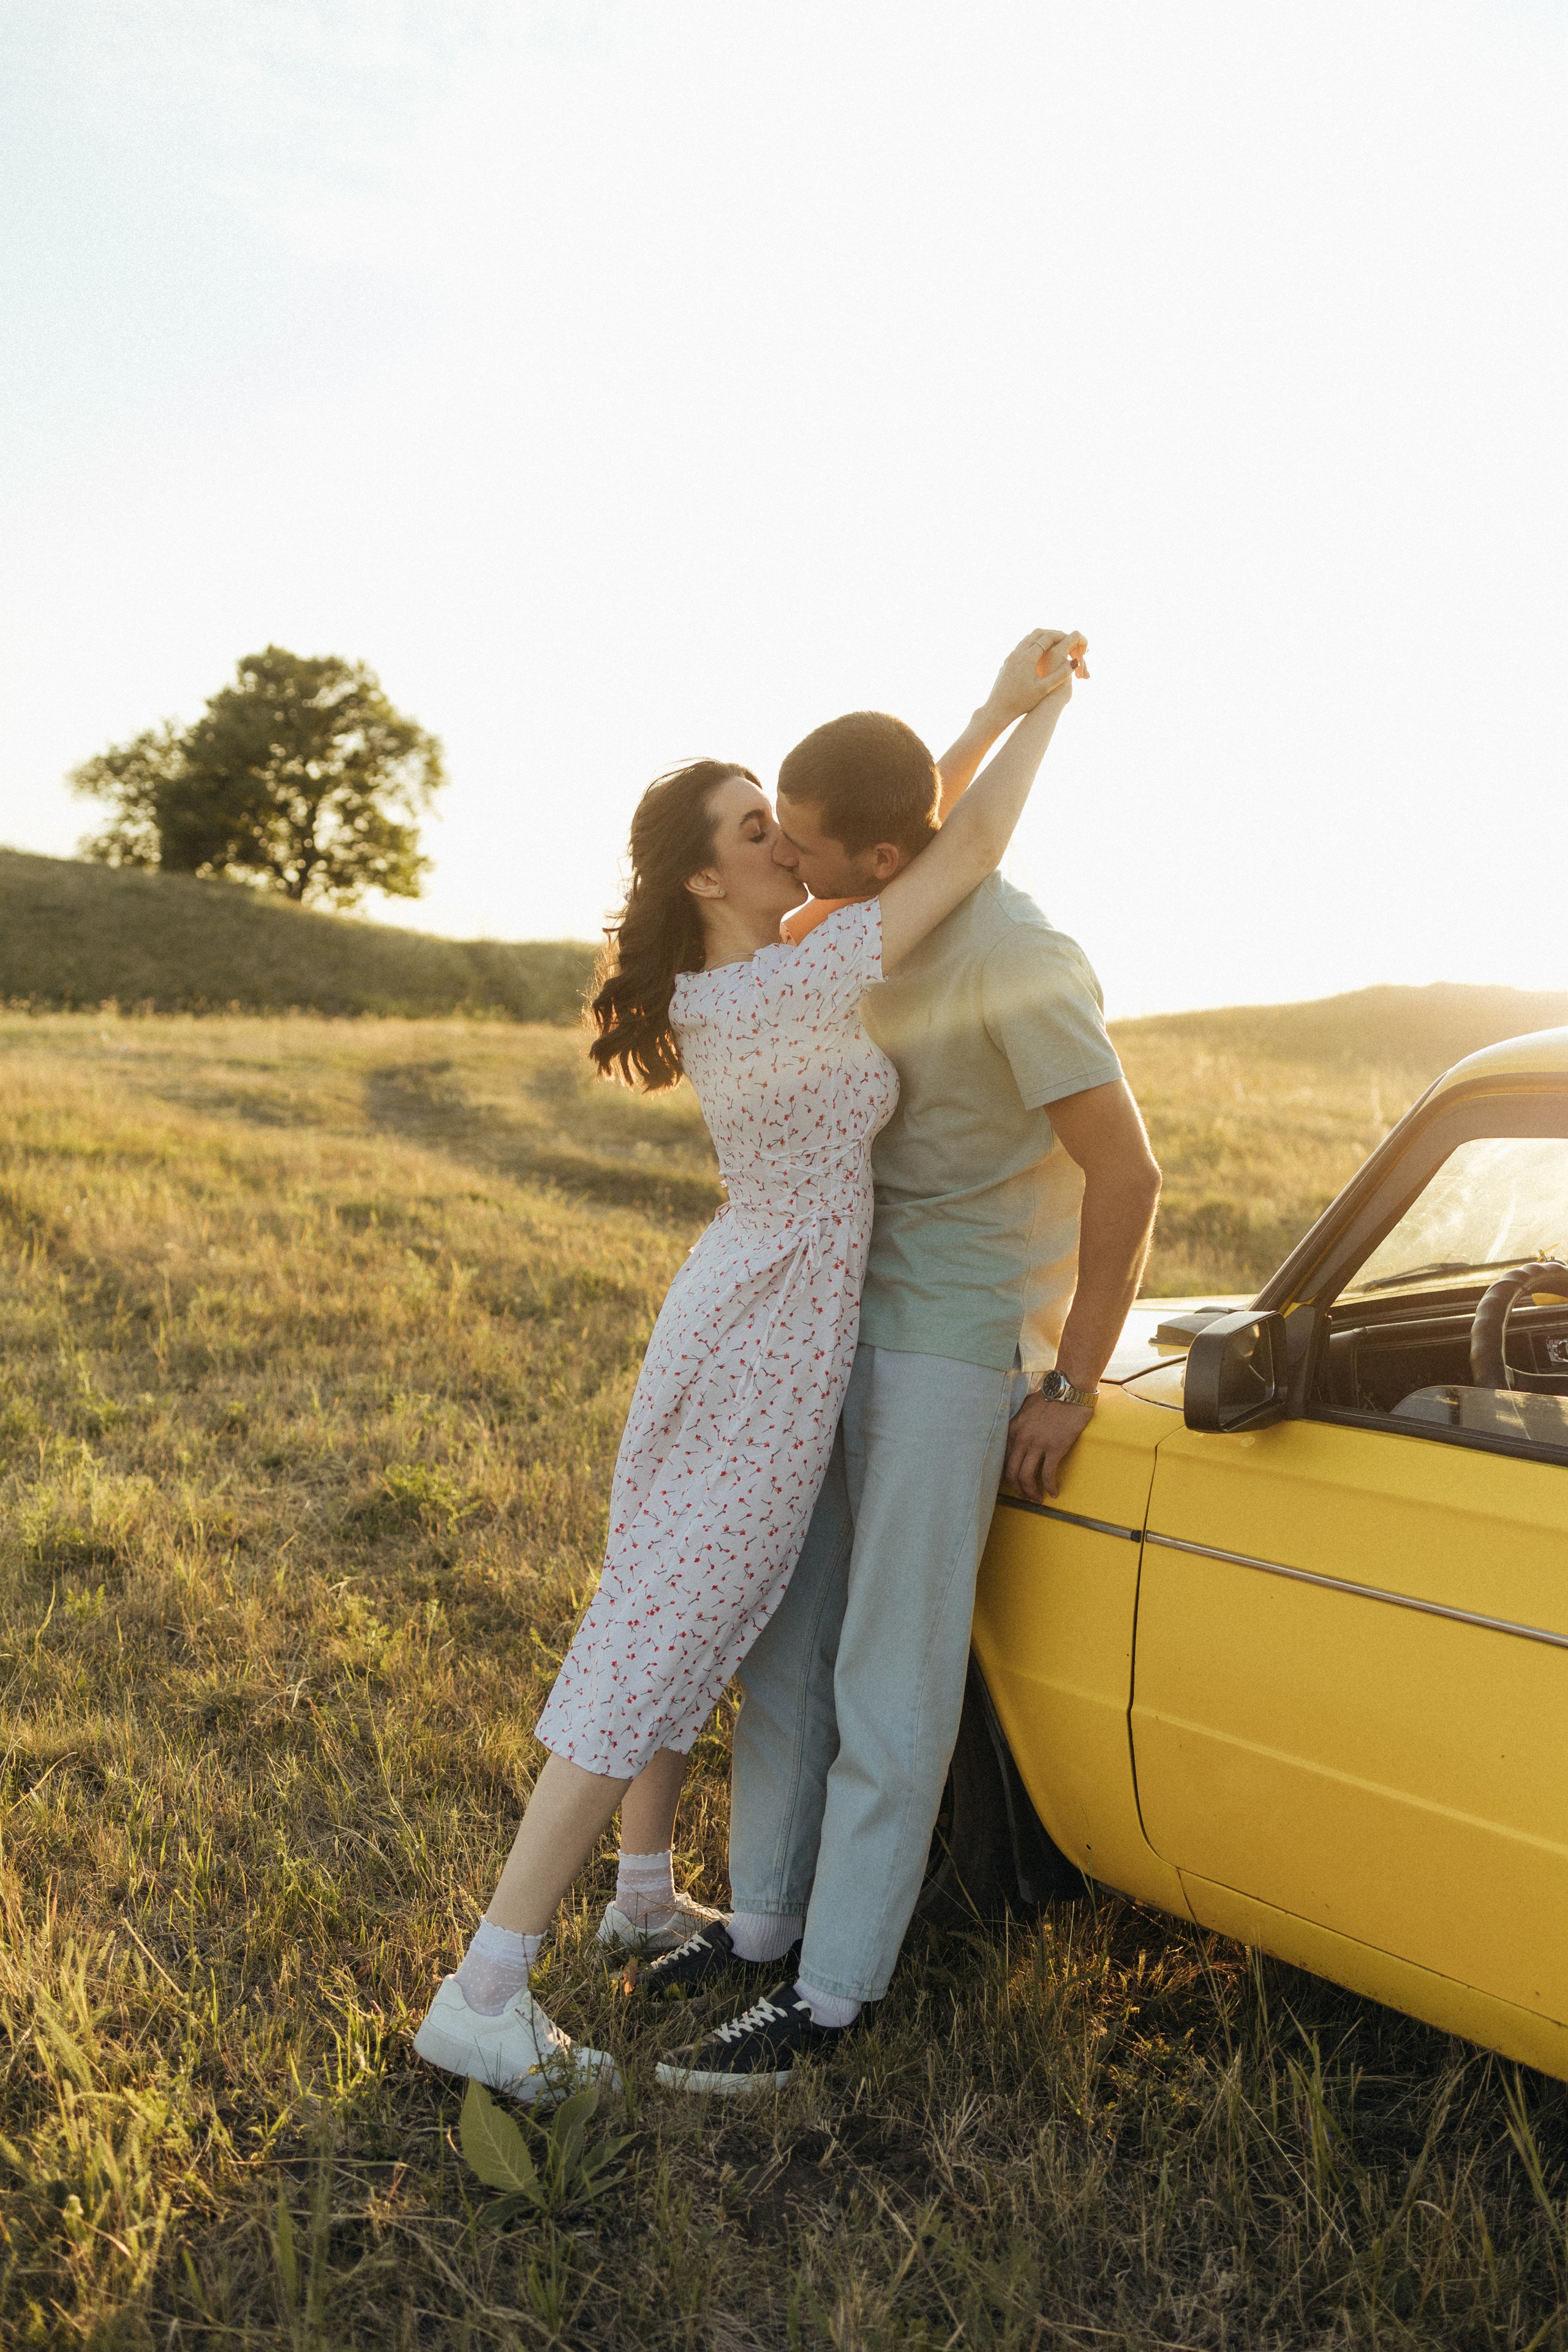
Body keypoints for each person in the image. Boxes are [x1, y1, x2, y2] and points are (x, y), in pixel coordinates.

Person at [411, 627, 1083, 2101]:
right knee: (659, 1629)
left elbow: (896, 827)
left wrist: (976, 709)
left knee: (684, 1600)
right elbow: (953, 842)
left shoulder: (769, 959)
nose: (784, 838)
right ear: (710, 878)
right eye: (752, 826)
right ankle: (486, 1985)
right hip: (769, 1336)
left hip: (749, 1310)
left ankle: (643, 1892)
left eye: (782, 821)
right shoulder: (788, 979)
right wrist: (1046, 710)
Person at [642, 673, 1162, 2095]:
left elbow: (1128, 1174)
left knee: (892, 1660)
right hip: (825, 1322)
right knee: (788, 1631)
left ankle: (830, 1988)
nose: (779, 864)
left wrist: (1070, 1380)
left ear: (870, 859)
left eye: (795, 839)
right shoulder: (859, 910)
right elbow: (923, 810)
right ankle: (758, 1922)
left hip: (951, 1340)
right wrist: (994, 708)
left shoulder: (1017, 953)